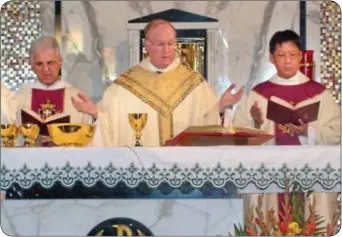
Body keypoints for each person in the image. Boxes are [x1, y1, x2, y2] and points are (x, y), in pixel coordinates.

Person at [72, 19, 244, 147]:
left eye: (171, 43)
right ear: (147, 45)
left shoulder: (194, 84)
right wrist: (95, 114)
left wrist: (221, 108)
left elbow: (208, 125)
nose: (167, 50)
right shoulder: (124, 86)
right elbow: (107, 124)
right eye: (161, 44)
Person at [233, 30, 340, 226]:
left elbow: (335, 132)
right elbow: (238, 134)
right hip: (271, 173)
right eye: (281, 55)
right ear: (271, 58)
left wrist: (308, 131)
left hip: (310, 171)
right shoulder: (258, 94)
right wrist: (255, 122)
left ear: (300, 55)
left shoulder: (319, 93)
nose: (287, 61)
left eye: (292, 54)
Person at [14, 36, 92, 144]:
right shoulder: (20, 98)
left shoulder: (77, 97)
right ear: (32, 66)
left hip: (67, 159)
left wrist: (95, 116)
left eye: (50, 63)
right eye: (39, 64)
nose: (46, 69)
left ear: (60, 62)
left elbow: (90, 139)